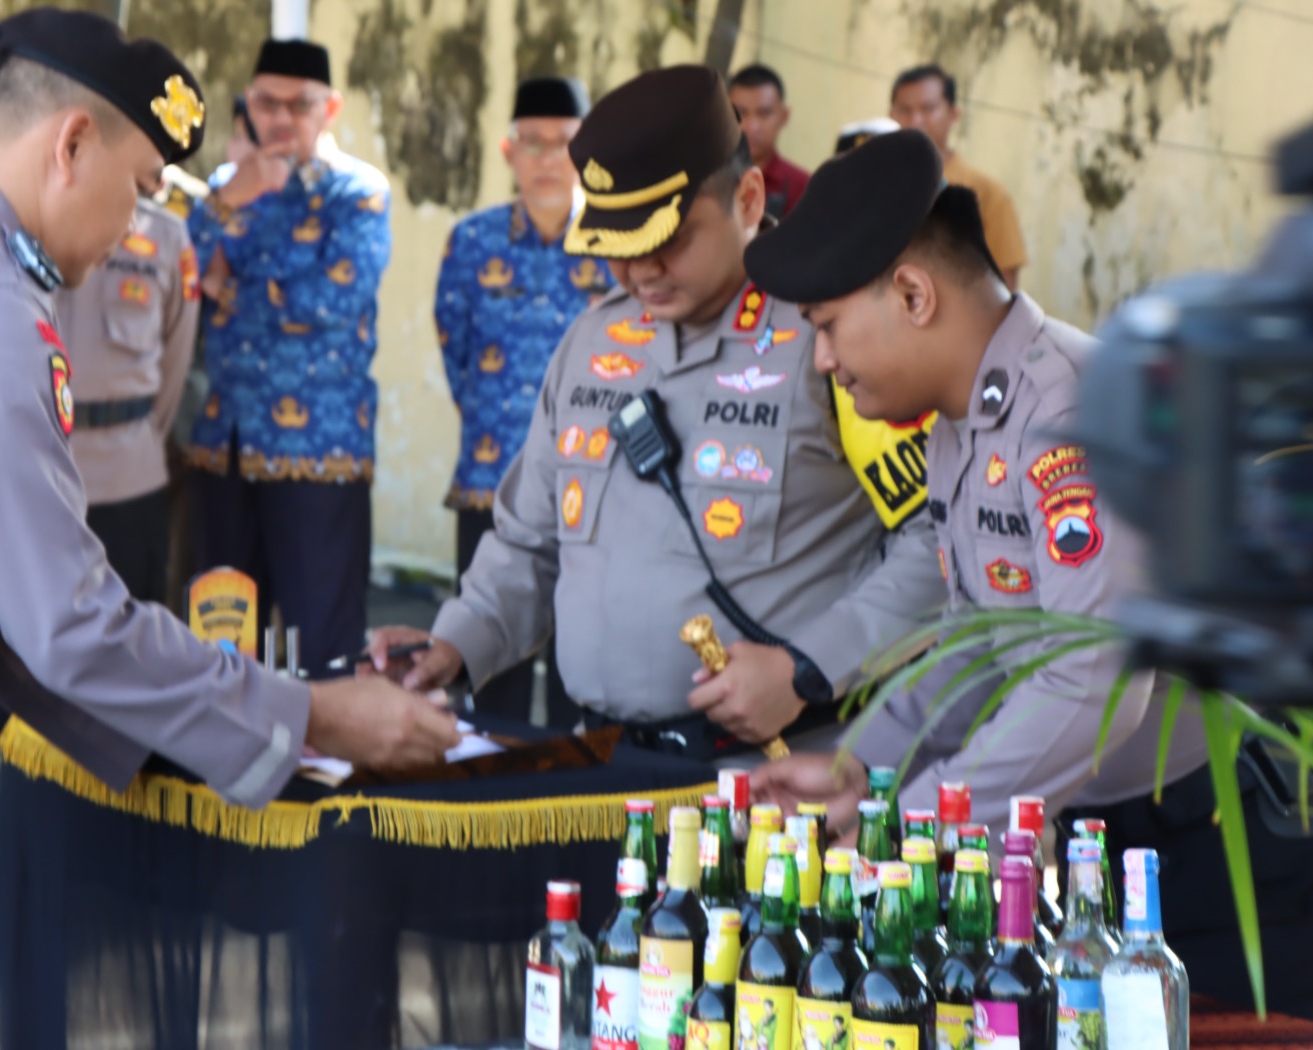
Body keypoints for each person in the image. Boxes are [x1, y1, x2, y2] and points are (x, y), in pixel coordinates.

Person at [0, 8, 457, 1047]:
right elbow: (67, 622)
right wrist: (317, 715)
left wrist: (215, 740)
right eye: (142, 189)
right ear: (70, 144)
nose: (132, 233)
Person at [742, 130, 1313, 1017]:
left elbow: (1094, 677)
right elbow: (980, 653)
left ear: (912, 292)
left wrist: (921, 821)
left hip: (1199, 860)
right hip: (1095, 848)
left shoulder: (1075, 412)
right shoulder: (959, 427)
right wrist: (863, 770)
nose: (822, 361)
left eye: (825, 327)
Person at [368, 66, 945, 761]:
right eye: (618, 244)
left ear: (750, 199)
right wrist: (452, 644)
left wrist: (809, 666)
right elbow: (529, 543)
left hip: (781, 775)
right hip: (606, 766)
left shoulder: (828, 339)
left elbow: (937, 543)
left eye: (666, 238)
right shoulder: (590, 342)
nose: (639, 269)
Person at [186, 38, 391, 679]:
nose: (280, 117)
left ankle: (329, 780)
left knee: (322, 647)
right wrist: (231, 201)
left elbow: (338, 295)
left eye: (298, 105)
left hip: (319, 451)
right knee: (221, 640)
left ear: (328, 107)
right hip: (226, 440)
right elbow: (179, 275)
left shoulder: (357, 193)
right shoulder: (224, 187)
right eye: (266, 102)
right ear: (248, 102)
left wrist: (232, 278)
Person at [434, 75, 603, 729]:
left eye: (564, 143)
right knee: (487, 675)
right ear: (509, 151)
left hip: (594, 492)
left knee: (580, 674)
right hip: (490, 482)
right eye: (532, 142)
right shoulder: (472, 243)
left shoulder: (618, 244)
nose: (547, 157)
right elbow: (457, 352)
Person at [56, 195, 200, 602]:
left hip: (127, 477)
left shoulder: (167, 235)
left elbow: (177, 356)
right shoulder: (27, 220)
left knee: (131, 636)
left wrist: (139, 433)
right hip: (37, 473)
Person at [888, 64, 1026, 291]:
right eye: (904, 110)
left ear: (953, 114)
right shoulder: (877, 187)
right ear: (890, 115)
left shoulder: (987, 193)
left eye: (928, 108)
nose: (915, 121)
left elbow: (1004, 287)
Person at [728, 64, 808, 218]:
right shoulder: (704, 176)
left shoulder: (802, 188)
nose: (751, 126)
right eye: (740, 113)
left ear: (784, 116)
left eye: (763, 113)